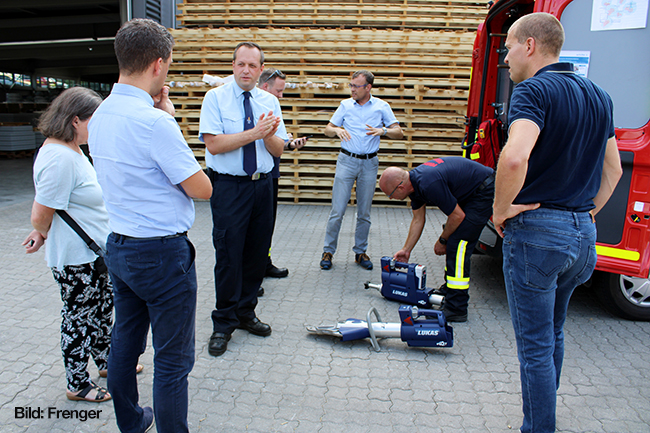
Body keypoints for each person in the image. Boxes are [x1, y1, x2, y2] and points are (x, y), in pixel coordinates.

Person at [492, 13, 622, 433]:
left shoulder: (531, 91)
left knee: (534, 346)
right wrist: (585, 214)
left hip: (538, 235)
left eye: (509, 45)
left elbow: (514, 157)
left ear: (530, 45)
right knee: (553, 334)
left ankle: (539, 428)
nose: (505, 56)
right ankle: (543, 417)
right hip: (583, 236)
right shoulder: (600, 95)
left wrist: (499, 211)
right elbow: (614, 171)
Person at [88, 18, 212, 433]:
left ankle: (131, 421)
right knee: (173, 360)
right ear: (159, 65)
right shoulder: (155, 123)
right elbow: (201, 188)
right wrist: (169, 120)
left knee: (126, 340)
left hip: (119, 246)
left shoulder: (100, 113)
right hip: (160, 254)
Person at [22, 87, 114, 403]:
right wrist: (40, 231)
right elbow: (42, 210)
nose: (97, 128)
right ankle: (78, 383)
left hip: (93, 254)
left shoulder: (72, 149)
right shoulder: (58, 157)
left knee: (102, 310)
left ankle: (106, 363)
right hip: (76, 258)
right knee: (78, 320)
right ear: (75, 120)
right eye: (94, 121)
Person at [199, 42, 287, 357]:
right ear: (233, 65)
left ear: (261, 69)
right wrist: (254, 133)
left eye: (252, 65)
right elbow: (214, 145)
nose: (246, 70)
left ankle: (246, 312)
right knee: (228, 255)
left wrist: (267, 135)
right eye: (241, 64)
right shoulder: (215, 98)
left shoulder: (269, 101)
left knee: (255, 254)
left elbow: (277, 150)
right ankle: (223, 322)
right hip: (229, 188)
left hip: (261, 186)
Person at [378, 158, 494, 322]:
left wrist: (442, 240)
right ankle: (450, 290)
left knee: (458, 245)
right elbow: (418, 220)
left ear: (400, 187)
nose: (390, 198)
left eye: (390, 194)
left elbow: (457, 216)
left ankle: (457, 307)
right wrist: (406, 250)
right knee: (454, 238)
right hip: (471, 192)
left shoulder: (427, 183)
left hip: (483, 190)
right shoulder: (415, 187)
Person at [320, 70, 403, 271]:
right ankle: (328, 251)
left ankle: (360, 252)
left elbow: (398, 132)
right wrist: (336, 129)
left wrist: (383, 130)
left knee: (364, 212)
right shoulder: (345, 105)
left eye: (356, 86)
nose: (352, 89)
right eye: (351, 85)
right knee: (337, 211)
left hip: (369, 164)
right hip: (346, 161)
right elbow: (327, 129)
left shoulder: (382, 106)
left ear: (368, 87)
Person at [258, 67, 309, 280]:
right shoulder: (255, 106)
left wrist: (289, 144)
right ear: (264, 86)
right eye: (278, 90)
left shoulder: (274, 106)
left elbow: (278, 142)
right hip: (256, 176)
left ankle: (264, 262)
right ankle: (252, 273)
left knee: (268, 223)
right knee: (256, 226)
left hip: (272, 173)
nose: (281, 95)